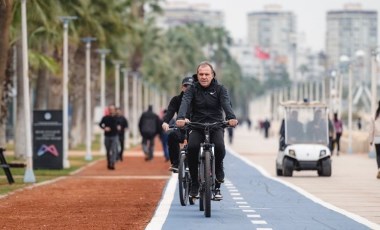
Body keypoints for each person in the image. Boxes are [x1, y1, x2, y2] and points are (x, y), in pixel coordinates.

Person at [176, 61, 238, 200]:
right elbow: (185, 102)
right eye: (201, 74)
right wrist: (181, 118)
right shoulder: (192, 89)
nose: (204, 77)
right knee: (192, 148)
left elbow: (226, 104)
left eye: (206, 74)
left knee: (220, 147)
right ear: (197, 76)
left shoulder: (220, 89)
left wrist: (231, 117)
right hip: (197, 125)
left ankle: (218, 170)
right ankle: (195, 184)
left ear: (212, 75)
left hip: (216, 125)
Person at [162, 76, 193, 172]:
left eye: (190, 86)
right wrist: (165, 122)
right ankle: (175, 163)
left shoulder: (198, 99)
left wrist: (190, 120)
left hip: (195, 128)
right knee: (172, 135)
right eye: (185, 85)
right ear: (182, 87)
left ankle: (206, 166)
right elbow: (170, 112)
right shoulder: (176, 100)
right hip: (181, 128)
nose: (188, 88)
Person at [99, 104, 119, 170]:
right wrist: (104, 128)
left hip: (114, 136)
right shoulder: (105, 118)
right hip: (107, 136)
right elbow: (100, 124)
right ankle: (109, 162)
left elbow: (122, 125)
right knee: (108, 151)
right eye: (110, 109)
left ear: (115, 110)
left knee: (113, 150)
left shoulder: (117, 118)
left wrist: (120, 127)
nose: (111, 110)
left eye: (113, 109)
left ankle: (112, 163)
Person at [369, 100, 380, 179]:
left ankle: (379, 168)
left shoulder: (374, 116)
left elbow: (371, 130)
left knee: (378, 155)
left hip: (377, 138)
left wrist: (371, 140)